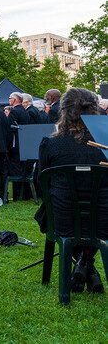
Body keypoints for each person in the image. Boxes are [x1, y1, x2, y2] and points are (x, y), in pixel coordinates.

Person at [35, 87, 108, 293]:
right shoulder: (105, 146)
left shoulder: (50, 145)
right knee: (95, 214)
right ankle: (87, 262)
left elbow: (42, 183)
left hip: (63, 220)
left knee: (48, 210)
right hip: (103, 222)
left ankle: (83, 263)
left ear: (64, 111)